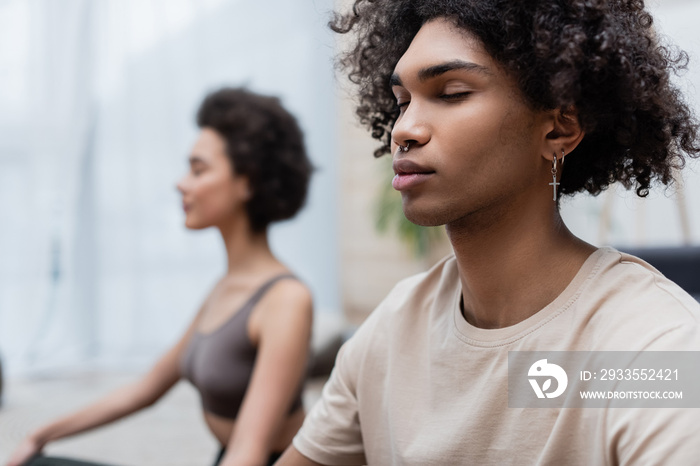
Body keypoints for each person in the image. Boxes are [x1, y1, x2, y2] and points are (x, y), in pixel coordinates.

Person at [277, 1, 700, 465]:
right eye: (402, 102)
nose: (405, 130)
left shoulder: (657, 349)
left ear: (559, 128)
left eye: (452, 92)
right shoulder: (394, 327)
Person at [8, 88, 314, 466]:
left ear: (246, 183)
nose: (180, 183)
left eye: (198, 169)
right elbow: (145, 389)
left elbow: (249, 452)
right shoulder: (226, 288)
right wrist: (39, 436)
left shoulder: (286, 300)